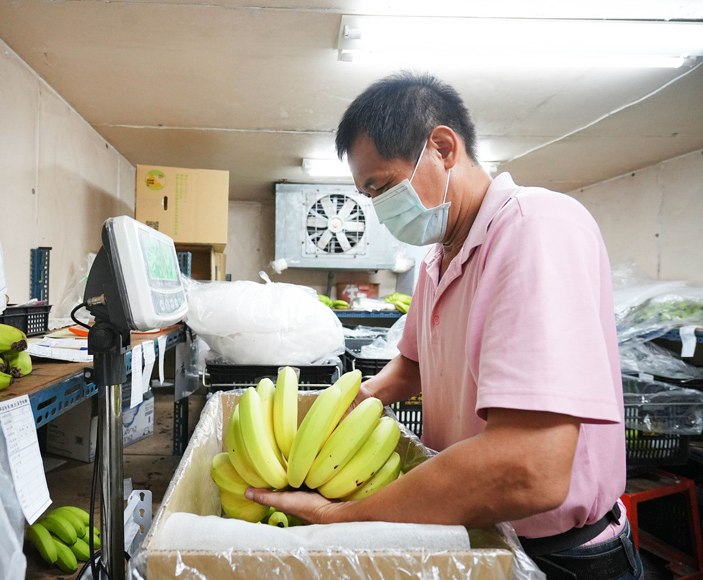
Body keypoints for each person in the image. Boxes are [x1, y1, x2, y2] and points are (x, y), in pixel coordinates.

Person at [246, 71, 644, 580]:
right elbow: (413, 365)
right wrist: (352, 407)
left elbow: (530, 469)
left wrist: (345, 519)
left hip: (559, 557)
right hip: (473, 532)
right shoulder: (439, 257)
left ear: (442, 147)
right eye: (367, 196)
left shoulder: (535, 229)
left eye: (381, 187)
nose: (378, 209)